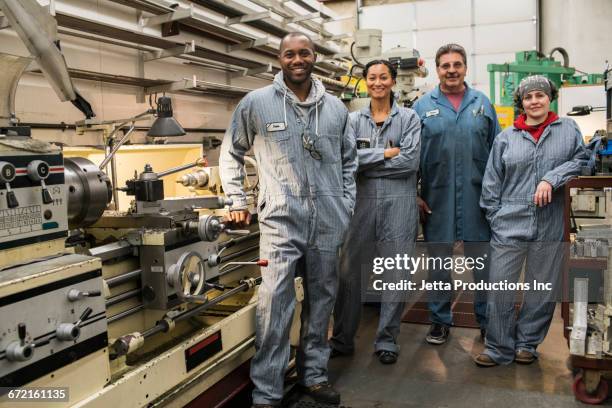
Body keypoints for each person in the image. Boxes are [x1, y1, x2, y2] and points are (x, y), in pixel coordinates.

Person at [219, 32, 357, 407]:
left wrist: (345, 204)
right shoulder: (256, 104)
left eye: (304, 53)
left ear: (314, 57)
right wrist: (236, 197)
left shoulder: (335, 109)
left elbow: (349, 162)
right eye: (289, 54)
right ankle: (267, 392)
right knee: (275, 304)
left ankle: (313, 375)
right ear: (279, 58)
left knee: (321, 300)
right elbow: (231, 152)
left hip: (328, 221)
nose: (297, 59)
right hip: (280, 220)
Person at [474, 75, 588, 367]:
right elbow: (491, 182)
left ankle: (527, 343)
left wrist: (552, 178)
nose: (534, 101)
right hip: (509, 220)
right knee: (500, 286)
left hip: (550, 219)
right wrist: (496, 216)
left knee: (543, 287)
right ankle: (498, 347)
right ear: (521, 103)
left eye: (540, 95)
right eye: (528, 97)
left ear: (549, 98)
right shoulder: (506, 137)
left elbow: (582, 160)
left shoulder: (568, 129)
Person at [330, 60, 421, 364]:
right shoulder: (352, 121)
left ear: (393, 81)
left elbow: (409, 163)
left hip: (399, 205)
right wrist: (384, 153)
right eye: (372, 77)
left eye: (384, 77)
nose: (378, 82)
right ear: (366, 82)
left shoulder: (409, 118)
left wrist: (367, 165)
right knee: (349, 272)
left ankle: (387, 341)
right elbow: (346, 160)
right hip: (362, 204)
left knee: (396, 274)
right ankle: (342, 339)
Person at [412, 43, 501, 345]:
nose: (451, 70)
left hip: (479, 198)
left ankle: (487, 322)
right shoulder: (422, 107)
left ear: (465, 68)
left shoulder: (482, 103)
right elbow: (411, 155)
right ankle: (439, 321)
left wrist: (498, 194)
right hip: (436, 197)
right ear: (437, 69)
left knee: (483, 264)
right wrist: (415, 193)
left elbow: (498, 151)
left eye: (457, 64)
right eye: (445, 65)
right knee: (438, 264)